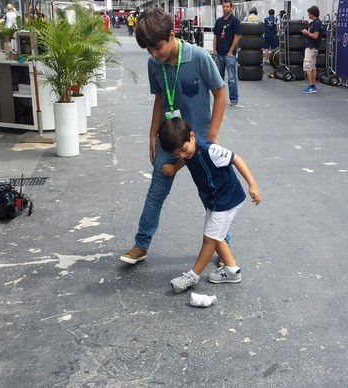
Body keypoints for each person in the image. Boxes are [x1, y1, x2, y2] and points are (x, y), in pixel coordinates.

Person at [119, 7, 227, 265]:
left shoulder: (199, 57)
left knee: (211, 199)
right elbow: (160, 99)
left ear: (171, 34)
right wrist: (151, 135)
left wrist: (210, 136)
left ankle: (225, 251)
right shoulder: (153, 64)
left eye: (157, 47)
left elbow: (220, 94)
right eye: (148, 49)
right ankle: (141, 245)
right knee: (155, 193)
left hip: (198, 144)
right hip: (167, 140)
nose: (154, 54)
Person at [158, 117, 261, 293]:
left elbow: (237, 159)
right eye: (177, 154)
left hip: (227, 199)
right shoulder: (188, 150)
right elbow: (186, 158)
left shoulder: (210, 149)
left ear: (192, 136)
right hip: (214, 199)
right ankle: (232, 271)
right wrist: (175, 167)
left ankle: (192, 276)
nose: (182, 155)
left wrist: (252, 184)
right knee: (216, 236)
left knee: (209, 239)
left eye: (183, 150)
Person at [213, 0, 240, 106]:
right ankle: (221, 98)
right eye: (223, 7)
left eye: (227, 7)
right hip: (219, 54)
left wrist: (230, 51)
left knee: (232, 78)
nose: (225, 8)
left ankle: (234, 98)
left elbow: (237, 36)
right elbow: (215, 37)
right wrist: (214, 51)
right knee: (219, 79)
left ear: (231, 8)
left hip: (229, 55)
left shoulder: (235, 21)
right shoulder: (219, 21)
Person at [300, 5, 322, 94]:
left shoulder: (317, 23)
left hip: (311, 47)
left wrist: (306, 32)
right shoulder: (315, 22)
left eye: (309, 13)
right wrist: (307, 24)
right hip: (313, 47)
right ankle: (313, 86)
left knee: (308, 67)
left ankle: (311, 86)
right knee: (313, 67)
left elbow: (315, 36)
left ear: (312, 13)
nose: (308, 15)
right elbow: (313, 30)